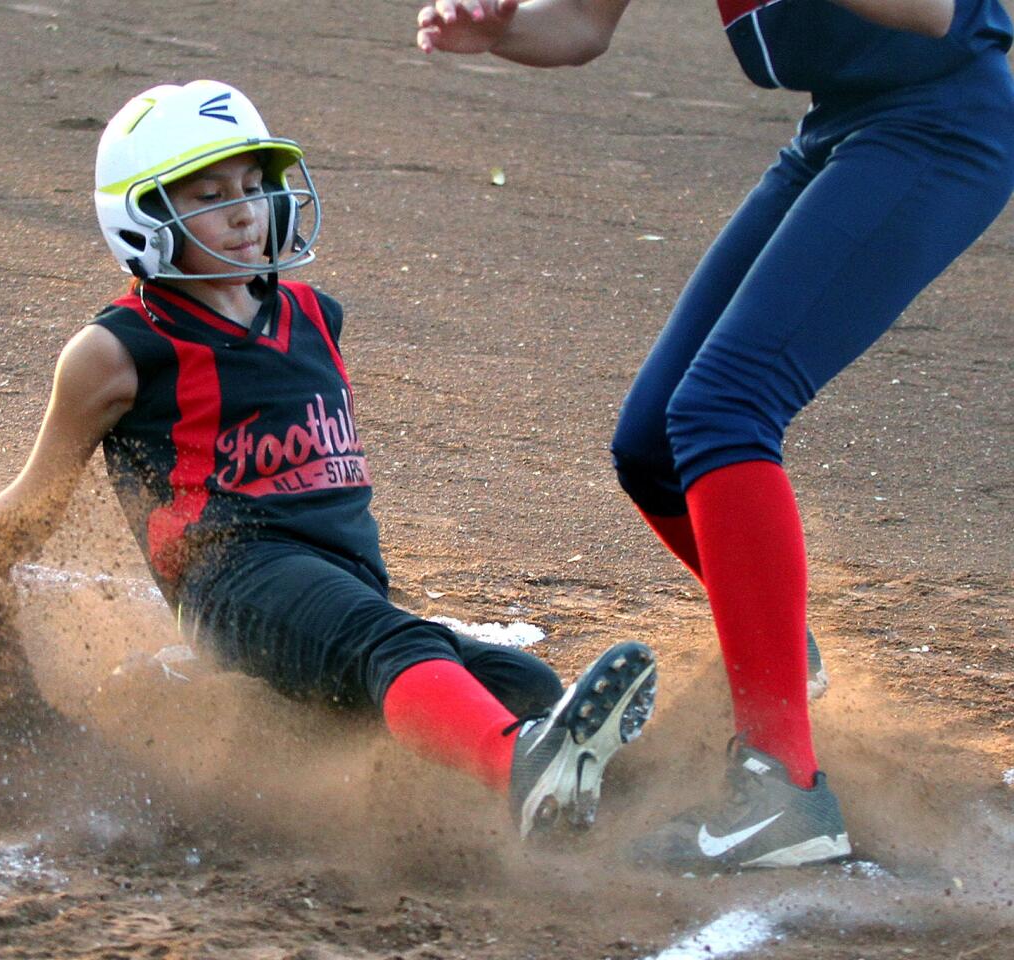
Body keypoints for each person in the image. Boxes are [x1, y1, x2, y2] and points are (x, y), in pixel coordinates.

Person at [0, 79, 659, 840]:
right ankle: (520, 775)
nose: (247, 211)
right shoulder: (118, 350)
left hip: (337, 579)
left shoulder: (314, 314)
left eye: (254, 186)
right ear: (146, 218)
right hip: (234, 579)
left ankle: (584, 805)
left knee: (522, 681)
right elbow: (39, 489)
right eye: (211, 195)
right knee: (397, 646)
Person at [414, 0, 1014, 867]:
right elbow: (580, 26)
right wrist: (499, 31)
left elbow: (936, 12)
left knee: (723, 409)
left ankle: (783, 793)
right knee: (652, 445)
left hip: (940, 125)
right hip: (844, 128)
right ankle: (774, 654)